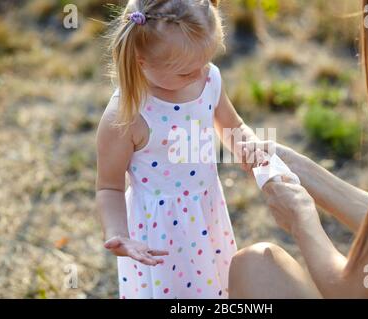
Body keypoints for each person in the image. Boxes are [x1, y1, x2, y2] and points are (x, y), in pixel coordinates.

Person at [230, 0, 368, 299]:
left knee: (256, 269)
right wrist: (303, 170)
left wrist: (301, 220)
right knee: (255, 264)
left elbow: (360, 291)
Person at [95, 0, 258, 299]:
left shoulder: (208, 79)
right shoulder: (128, 115)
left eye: (205, 61)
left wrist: (248, 146)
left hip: (206, 212)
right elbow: (109, 186)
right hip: (158, 235)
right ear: (141, 60)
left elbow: (233, 126)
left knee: (213, 289)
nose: (199, 75)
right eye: (186, 72)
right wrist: (118, 234)